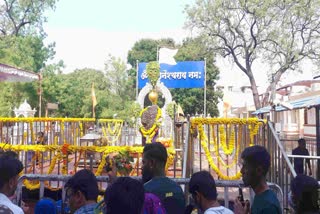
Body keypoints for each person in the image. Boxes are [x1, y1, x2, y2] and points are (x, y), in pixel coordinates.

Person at [234, 145, 282, 214]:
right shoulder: (260, 196)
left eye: (245, 167)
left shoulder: (268, 206)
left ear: (259, 170)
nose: (241, 171)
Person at [142, 142, 186, 213]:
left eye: (144, 162)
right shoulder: (178, 190)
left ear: (151, 163)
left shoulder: (145, 191)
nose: (142, 167)